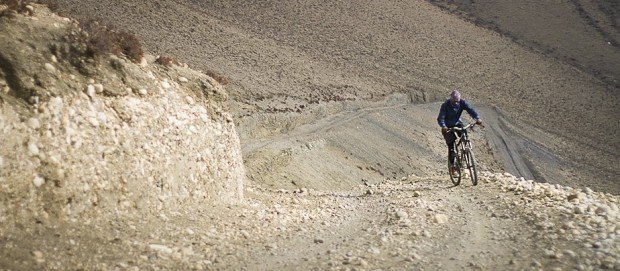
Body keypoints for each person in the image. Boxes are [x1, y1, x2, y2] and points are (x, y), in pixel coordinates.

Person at [437, 89, 482, 174]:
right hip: (448, 127)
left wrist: (477, 118)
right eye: (455, 102)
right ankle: (452, 167)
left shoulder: (462, 102)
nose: (456, 103)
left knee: (464, 133)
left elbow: (470, 110)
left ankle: (466, 151)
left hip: (457, 123)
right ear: (451, 99)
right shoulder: (445, 105)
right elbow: (441, 118)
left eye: (457, 101)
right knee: (451, 147)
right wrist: (443, 126)